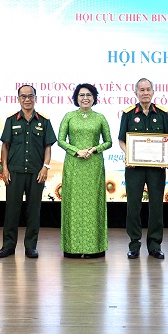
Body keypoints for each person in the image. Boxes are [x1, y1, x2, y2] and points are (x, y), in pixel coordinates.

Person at [0, 85, 56, 259]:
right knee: (11, 211)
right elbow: (5, 146)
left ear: (35, 98)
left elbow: (48, 147)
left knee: (33, 211)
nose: (27, 99)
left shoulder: (44, 121)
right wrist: (4, 168)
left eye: (30, 96)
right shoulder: (11, 120)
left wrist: (45, 167)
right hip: (14, 172)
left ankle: (31, 246)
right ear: (18, 99)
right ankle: (8, 246)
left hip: (36, 172)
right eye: (23, 96)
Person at [118, 77, 168, 260]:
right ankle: (134, 244)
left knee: (156, 206)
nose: (145, 93)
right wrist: (128, 154)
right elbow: (121, 140)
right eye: (141, 90)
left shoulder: (162, 113)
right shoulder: (128, 114)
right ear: (136, 93)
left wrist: (166, 154)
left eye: (148, 89)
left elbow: (167, 138)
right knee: (133, 206)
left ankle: (155, 245)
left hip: (156, 169)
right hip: (134, 168)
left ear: (153, 92)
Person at [57, 83, 112, 258]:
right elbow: (60, 140)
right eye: (81, 95)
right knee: (72, 204)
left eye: (89, 95)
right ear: (76, 98)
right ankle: (71, 248)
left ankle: (95, 248)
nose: (85, 98)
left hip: (93, 165)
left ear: (94, 98)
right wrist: (76, 151)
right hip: (73, 164)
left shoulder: (100, 118)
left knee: (94, 204)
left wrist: (95, 149)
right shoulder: (69, 116)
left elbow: (109, 142)